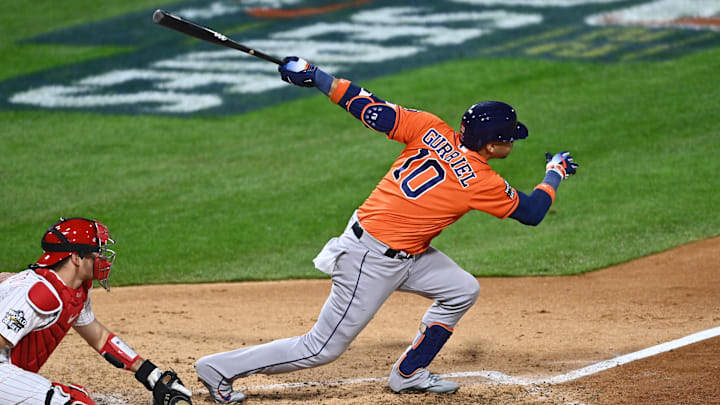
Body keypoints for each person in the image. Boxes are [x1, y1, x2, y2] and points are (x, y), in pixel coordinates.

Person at [195, 57, 578, 403]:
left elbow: (368, 106)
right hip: (370, 259)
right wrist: (554, 172)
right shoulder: (481, 181)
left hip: (403, 249)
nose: (512, 143)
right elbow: (532, 211)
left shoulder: (430, 127)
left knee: (461, 290)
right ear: (494, 146)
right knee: (320, 348)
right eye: (509, 138)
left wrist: (315, 75)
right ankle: (219, 369)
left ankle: (409, 373)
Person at [0, 217, 192, 404]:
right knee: (74, 401)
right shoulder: (40, 293)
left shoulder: (72, 292)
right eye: (96, 253)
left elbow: (99, 337)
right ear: (76, 257)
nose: (102, 259)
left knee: (77, 396)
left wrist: (151, 374)